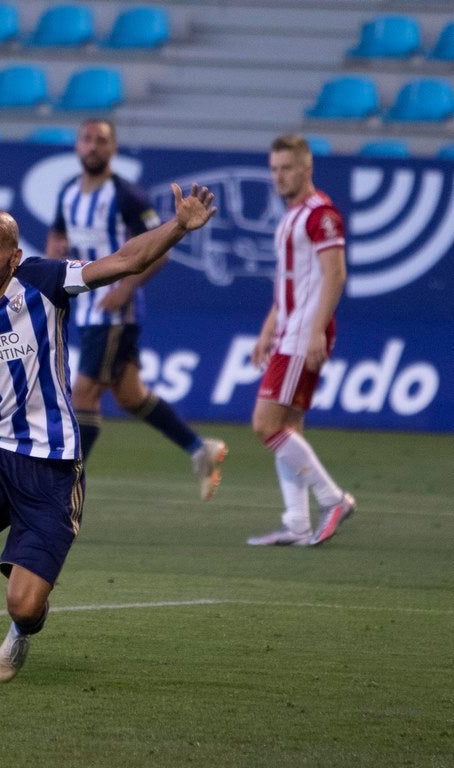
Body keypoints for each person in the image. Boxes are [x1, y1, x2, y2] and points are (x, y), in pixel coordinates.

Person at [0, 186, 216, 686]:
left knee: (25, 603)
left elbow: (124, 261)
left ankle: (21, 631)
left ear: (13, 257)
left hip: (51, 463)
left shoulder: (44, 280)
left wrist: (178, 226)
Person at [46, 118, 226, 501]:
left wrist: (126, 288)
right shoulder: (68, 194)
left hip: (114, 311)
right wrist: (55, 257)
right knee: (129, 395)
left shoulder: (128, 195)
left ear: (113, 149)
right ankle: (200, 449)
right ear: (78, 146)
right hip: (88, 306)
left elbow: (159, 246)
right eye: (87, 139)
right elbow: (58, 236)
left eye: (101, 140)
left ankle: (62, 487)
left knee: (84, 394)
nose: (93, 146)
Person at [247, 135, 355, 547]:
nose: (279, 176)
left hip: (304, 334)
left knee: (266, 424)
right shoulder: (292, 216)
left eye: (286, 168)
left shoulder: (320, 215)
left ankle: (333, 499)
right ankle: (297, 523)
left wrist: (314, 330)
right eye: (274, 169)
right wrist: (267, 328)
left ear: (307, 168)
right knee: (289, 427)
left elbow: (335, 274)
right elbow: (290, 283)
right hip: (289, 331)